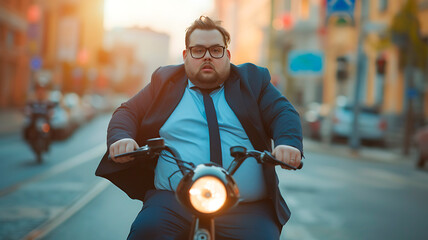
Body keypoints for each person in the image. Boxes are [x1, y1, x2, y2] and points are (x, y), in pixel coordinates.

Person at [96, 16, 303, 239]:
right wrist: (121, 138)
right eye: (198, 50)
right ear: (186, 55)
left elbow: (283, 112)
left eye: (215, 50)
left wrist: (288, 144)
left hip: (246, 206)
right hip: (174, 201)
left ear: (227, 55)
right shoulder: (164, 81)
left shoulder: (253, 81)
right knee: (147, 231)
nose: (207, 56)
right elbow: (128, 112)